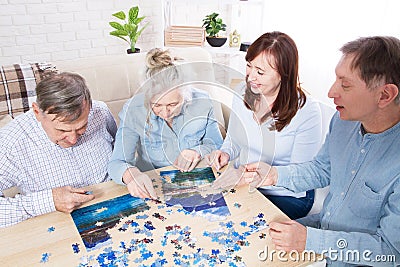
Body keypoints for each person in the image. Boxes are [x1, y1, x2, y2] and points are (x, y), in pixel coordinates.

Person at [243, 36, 400, 266]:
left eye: (345, 84)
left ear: (385, 95)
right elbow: (322, 169)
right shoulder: (343, 120)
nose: (331, 92)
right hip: (324, 241)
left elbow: (390, 251)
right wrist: (275, 175)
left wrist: (311, 240)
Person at [206, 31, 323, 219]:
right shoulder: (242, 92)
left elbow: (303, 175)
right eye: (248, 66)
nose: (251, 77)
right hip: (245, 185)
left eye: (260, 72)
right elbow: (234, 140)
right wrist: (225, 153)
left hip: (287, 195)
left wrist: (245, 176)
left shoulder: (307, 111)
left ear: (283, 74)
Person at [0, 72, 117, 228]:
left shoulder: (100, 112)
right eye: (62, 131)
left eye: (82, 127)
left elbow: (119, 153)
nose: (73, 139)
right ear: (37, 112)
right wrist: (49, 201)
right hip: (57, 226)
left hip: (116, 207)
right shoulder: (11, 143)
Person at [108, 48, 223, 200]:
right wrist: (131, 175)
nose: (165, 113)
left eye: (173, 104)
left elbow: (218, 145)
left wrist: (198, 151)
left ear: (185, 93)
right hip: (153, 188)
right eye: (157, 105)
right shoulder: (133, 110)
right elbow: (117, 163)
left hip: (197, 182)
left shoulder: (203, 102)